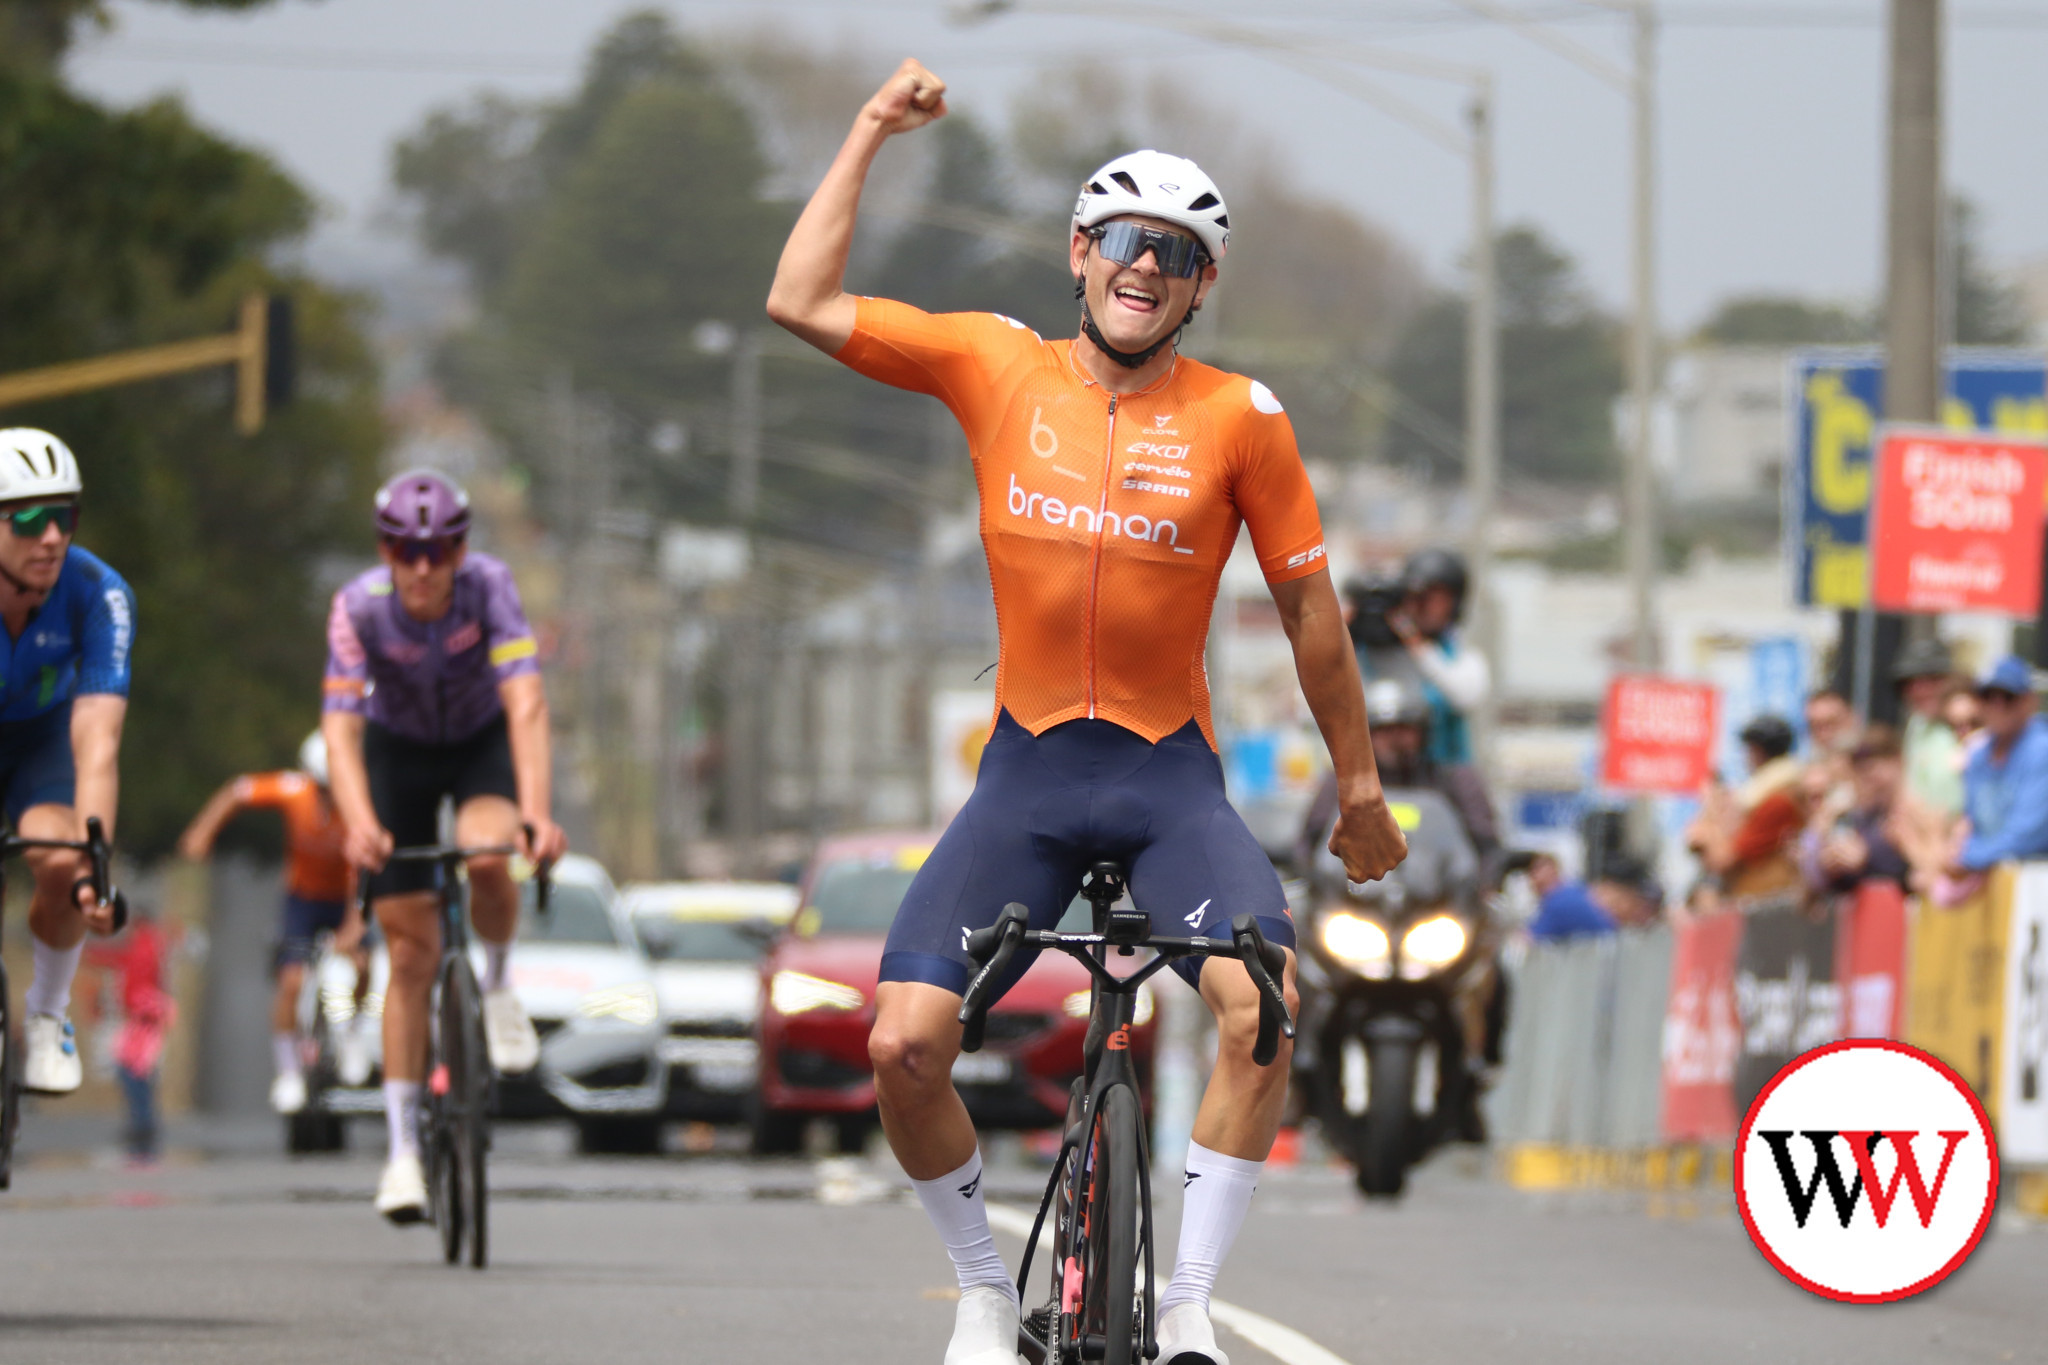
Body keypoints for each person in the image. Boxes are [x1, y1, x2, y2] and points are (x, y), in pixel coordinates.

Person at [766, 60, 1408, 1365]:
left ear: (1200, 283)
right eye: (1124, 240)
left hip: (1171, 781)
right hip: (1028, 778)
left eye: (1176, 253)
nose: (1145, 266)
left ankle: (1185, 1306)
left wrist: (1357, 787)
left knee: (1262, 1009)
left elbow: (1312, 621)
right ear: (1079, 251)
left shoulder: (1241, 419)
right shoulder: (996, 368)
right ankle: (987, 1294)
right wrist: (871, 130)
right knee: (903, 1042)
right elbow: (800, 300)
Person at [322, 469, 568, 1224]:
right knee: (410, 955)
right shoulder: (356, 608)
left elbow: (524, 700)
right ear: (383, 550)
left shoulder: (490, 586)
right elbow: (341, 727)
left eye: (440, 549)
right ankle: (401, 1154)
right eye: (405, 549)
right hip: (399, 754)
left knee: (489, 854)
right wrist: (359, 820)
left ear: (461, 549)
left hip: (477, 744)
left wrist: (536, 811)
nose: (423, 567)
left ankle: (495, 985)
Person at [0, 429, 132, 1095]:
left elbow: (97, 742)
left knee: (58, 860)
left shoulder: (96, 591)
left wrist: (94, 868)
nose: (50, 535)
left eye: (63, 516)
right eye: (27, 518)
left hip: (43, 738)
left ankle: (49, 1016)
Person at [178, 731, 362, 1116]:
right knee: (291, 982)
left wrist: (353, 926)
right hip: (304, 900)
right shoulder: (293, 791)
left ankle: (353, 1034)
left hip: (349, 895)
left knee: (364, 965)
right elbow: (238, 790)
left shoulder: (360, 802)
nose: (330, 797)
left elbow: (364, 871)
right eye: (323, 787)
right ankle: (289, 1071)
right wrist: (203, 830)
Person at [1297, 679, 1496, 874]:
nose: (1394, 740)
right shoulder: (1343, 783)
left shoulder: (1454, 780)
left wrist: (1479, 888)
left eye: (1404, 729)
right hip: (1356, 895)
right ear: (1365, 735)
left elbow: (1487, 845)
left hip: (1440, 899)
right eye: (1383, 731)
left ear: (1424, 733)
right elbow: (1310, 844)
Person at [85, 899, 176, 1164]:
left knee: (133, 1071)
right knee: (138, 1071)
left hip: (142, 1015)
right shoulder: (152, 943)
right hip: (143, 1015)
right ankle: (141, 1122)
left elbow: (124, 963)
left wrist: (88, 954)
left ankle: (142, 1123)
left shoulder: (146, 943)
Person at [1385, 548, 1489, 769]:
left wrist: (1417, 646)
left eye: (1433, 598)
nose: (1421, 607)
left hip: (1445, 777)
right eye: (1414, 597)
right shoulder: (1380, 654)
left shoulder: (1461, 656)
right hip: (1383, 777)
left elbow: (1465, 696)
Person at [1947, 656, 2048, 875]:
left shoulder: (2042, 749)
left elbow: (2028, 836)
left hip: (2036, 884)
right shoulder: (1978, 755)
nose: (1997, 705)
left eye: (2008, 697)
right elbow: (1973, 823)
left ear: (2030, 701)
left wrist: (1966, 857)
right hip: (1996, 884)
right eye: (1987, 697)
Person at [1686, 714, 1806, 898]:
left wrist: (1709, 814)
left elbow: (1723, 859)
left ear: (1757, 751)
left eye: (1748, 750)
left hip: (1768, 900)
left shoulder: (1776, 800)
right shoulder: (1761, 795)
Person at [1803, 724, 1912, 895]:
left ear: (1897, 760)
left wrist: (1866, 860)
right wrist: (1833, 868)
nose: (1869, 778)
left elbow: (1916, 875)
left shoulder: (1916, 807)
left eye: (1873, 768)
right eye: (1861, 770)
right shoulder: (1864, 817)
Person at [1893, 637, 1963, 817]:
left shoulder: (1967, 725)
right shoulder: (1917, 725)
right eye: (1909, 683)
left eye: (1931, 680)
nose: (1919, 690)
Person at [1522, 851, 1614, 942]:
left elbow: (1529, 940)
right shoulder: (1573, 889)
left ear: (1553, 871)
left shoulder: (1559, 901)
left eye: (1536, 870)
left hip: (1598, 951)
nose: (1533, 878)